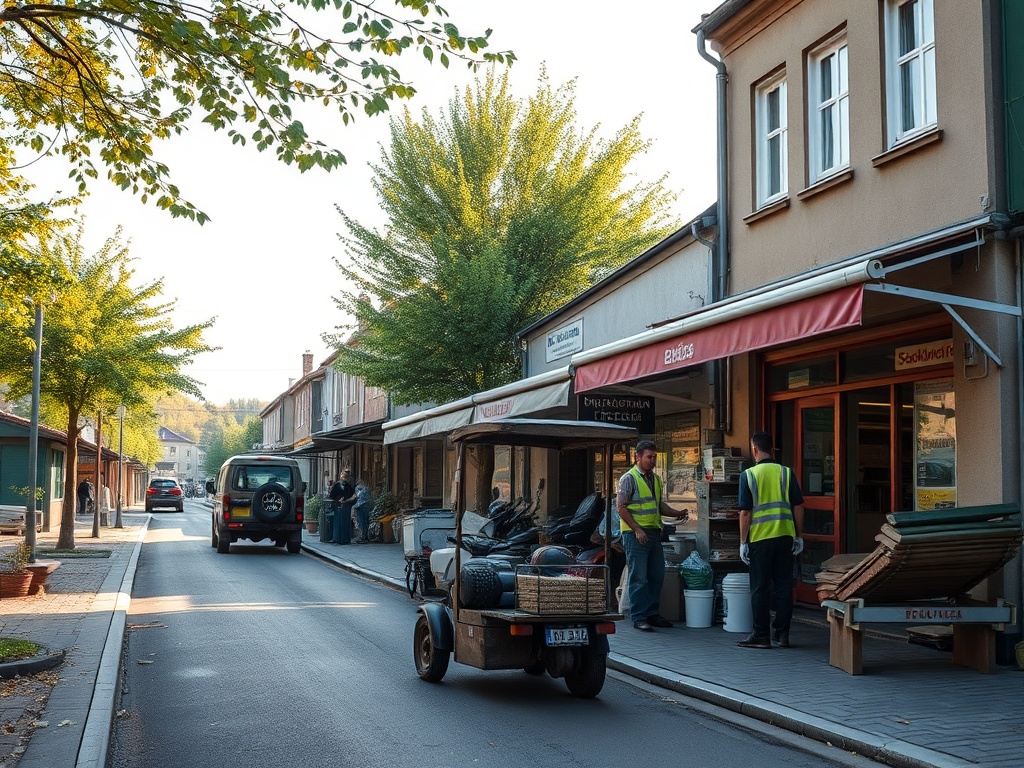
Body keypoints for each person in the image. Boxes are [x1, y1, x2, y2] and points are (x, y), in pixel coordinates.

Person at [737, 431, 805, 649]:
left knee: (760, 588)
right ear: (772, 449)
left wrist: (742, 541)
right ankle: (782, 634)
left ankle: (761, 635)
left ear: (755, 449)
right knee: (784, 587)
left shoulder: (748, 475)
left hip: (760, 539)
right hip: (785, 537)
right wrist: (799, 536)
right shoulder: (786, 473)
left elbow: (745, 513)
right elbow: (798, 506)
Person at [617, 440, 689, 632]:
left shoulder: (655, 479)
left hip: (654, 533)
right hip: (636, 535)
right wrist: (637, 529)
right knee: (639, 577)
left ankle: (652, 614)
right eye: (649, 457)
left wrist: (677, 513)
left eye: (655, 457)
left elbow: (658, 505)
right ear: (637, 457)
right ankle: (639, 617)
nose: (652, 460)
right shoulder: (629, 478)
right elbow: (621, 507)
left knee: (657, 575)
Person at [331, 472, 356, 545]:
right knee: (339, 523)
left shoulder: (348, 486)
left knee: (346, 523)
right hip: (338, 506)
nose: (345, 479)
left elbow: (351, 495)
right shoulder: (336, 485)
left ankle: (346, 539)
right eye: (343, 477)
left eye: (346, 477)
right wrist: (338, 499)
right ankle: (338, 539)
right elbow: (332, 495)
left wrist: (347, 499)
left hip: (346, 506)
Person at [352, 478, 373, 543]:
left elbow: (357, 497)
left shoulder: (359, 489)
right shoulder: (366, 489)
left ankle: (363, 537)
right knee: (365, 522)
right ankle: (365, 537)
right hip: (365, 507)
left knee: (361, 522)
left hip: (360, 507)